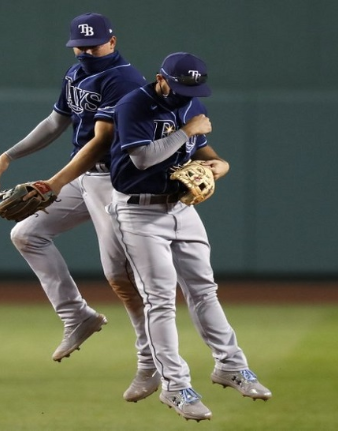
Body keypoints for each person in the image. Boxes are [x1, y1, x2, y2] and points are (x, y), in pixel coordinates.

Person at [0, 12, 161, 402]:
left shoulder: (125, 80)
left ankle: (151, 363)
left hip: (116, 183)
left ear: (112, 41)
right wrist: (9, 155)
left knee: (121, 277)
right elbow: (55, 122)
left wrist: (54, 182)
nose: (86, 51)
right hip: (83, 180)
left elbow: (100, 142)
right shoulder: (76, 72)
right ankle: (77, 316)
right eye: (79, 46)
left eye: (93, 44)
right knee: (26, 234)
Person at [102, 52, 272, 420]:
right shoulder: (134, 104)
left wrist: (220, 163)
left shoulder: (188, 101)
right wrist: (186, 131)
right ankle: (176, 387)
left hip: (181, 207)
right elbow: (143, 159)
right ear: (160, 78)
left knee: (204, 289)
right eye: (177, 87)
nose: (184, 95)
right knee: (160, 299)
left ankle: (230, 365)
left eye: (191, 89)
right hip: (139, 210)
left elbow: (199, 149)